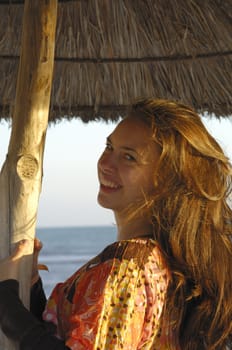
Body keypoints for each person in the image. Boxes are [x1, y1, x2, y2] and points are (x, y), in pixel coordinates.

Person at [0, 98, 231, 350]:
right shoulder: (158, 262)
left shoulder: (126, 266)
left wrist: (5, 300)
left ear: (165, 181)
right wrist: (30, 288)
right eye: (109, 147)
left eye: (129, 157)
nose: (105, 164)